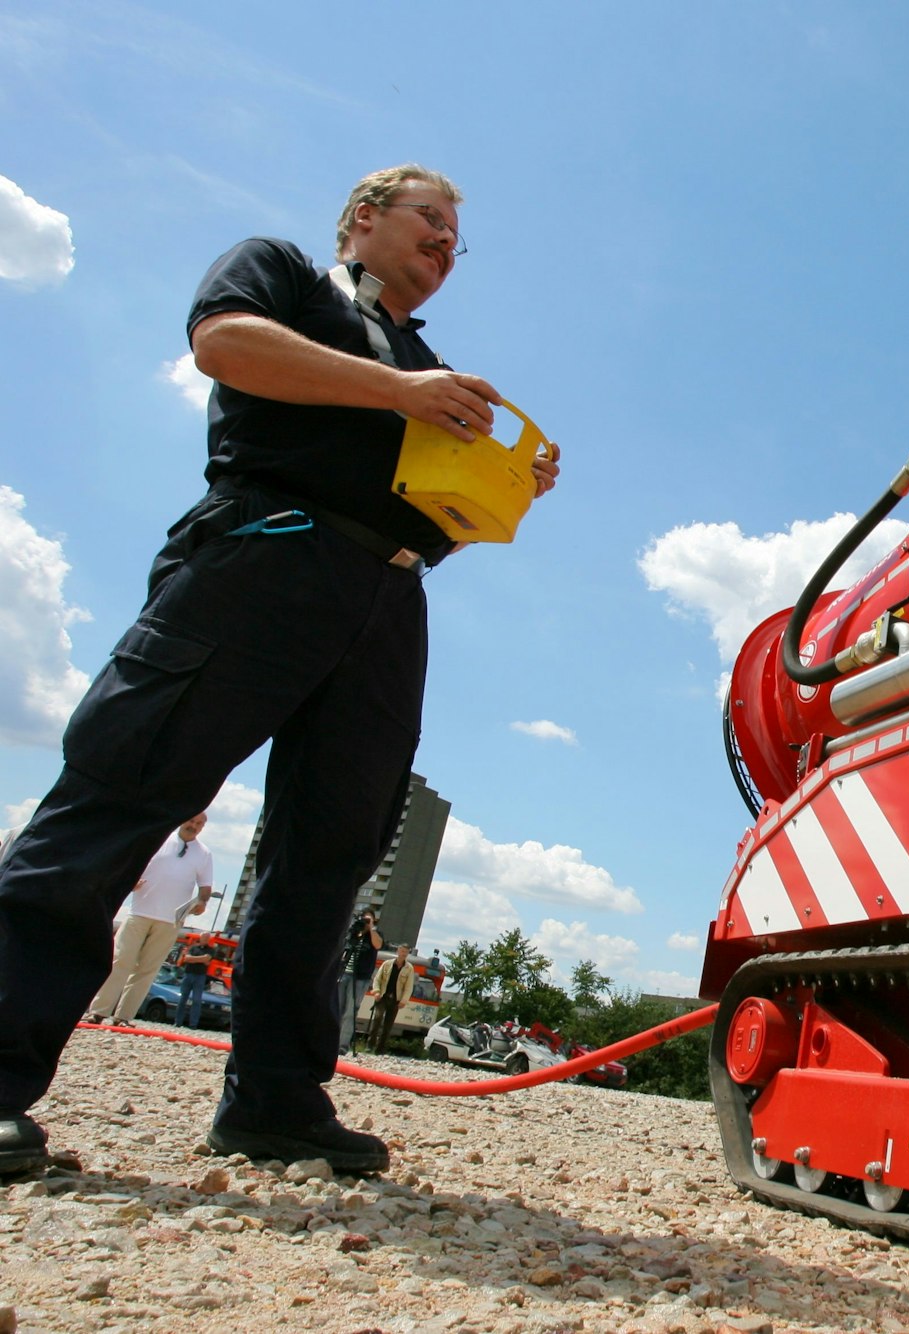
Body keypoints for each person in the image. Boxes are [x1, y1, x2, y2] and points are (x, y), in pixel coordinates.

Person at [0, 164, 560, 1181]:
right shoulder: (288, 277)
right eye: (428, 221)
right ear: (362, 217)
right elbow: (224, 343)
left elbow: (430, 518)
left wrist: (497, 483)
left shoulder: (428, 361)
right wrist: (401, 393)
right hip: (265, 553)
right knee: (122, 792)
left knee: (331, 852)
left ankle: (276, 1101)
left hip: (386, 598)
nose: (443, 244)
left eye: (454, 238)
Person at [85, 814, 214, 1026]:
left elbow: (205, 887)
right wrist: (130, 881)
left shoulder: (204, 854)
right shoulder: (159, 839)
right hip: (140, 912)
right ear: (183, 820)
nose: (194, 826)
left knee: (147, 969)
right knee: (120, 961)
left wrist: (201, 902)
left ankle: (124, 1017)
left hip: (171, 920)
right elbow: (132, 864)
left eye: (199, 824)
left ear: (203, 827)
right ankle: (98, 1011)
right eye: (191, 821)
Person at [338, 909, 383, 1055]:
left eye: (368, 919)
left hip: (360, 977)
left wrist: (371, 928)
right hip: (344, 973)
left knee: (350, 1011)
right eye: (364, 919)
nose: (365, 922)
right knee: (337, 1008)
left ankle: (342, 1045)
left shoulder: (374, 935)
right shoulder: (355, 931)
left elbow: (378, 945)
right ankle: (329, 1040)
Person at [364, 944, 416, 1055]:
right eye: (402, 951)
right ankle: (370, 1045)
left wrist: (404, 1000)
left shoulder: (409, 968)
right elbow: (377, 979)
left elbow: (408, 986)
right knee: (377, 1019)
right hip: (382, 997)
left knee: (388, 1026)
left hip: (395, 1000)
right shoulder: (387, 964)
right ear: (398, 951)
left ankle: (380, 1049)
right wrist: (376, 991)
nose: (403, 954)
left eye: (406, 952)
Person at [174, 938, 217, 1028]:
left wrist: (193, 959)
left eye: (207, 938)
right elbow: (186, 959)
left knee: (196, 1000)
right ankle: (178, 1022)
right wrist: (201, 959)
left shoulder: (211, 950)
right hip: (188, 974)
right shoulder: (193, 948)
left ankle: (193, 1024)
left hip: (200, 976)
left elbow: (207, 959)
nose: (205, 940)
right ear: (201, 938)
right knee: (183, 999)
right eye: (204, 938)